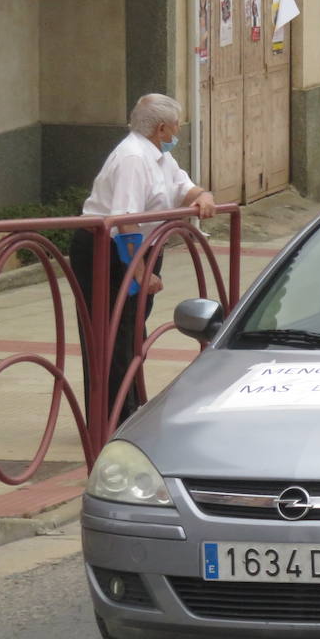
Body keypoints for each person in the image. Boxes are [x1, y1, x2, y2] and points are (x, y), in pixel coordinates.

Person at [70, 94, 217, 425]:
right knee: (113, 331)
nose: (179, 130)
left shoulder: (159, 156)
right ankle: (112, 416)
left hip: (141, 247)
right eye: (177, 124)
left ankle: (128, 407)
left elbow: (184, 186)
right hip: (110, 250)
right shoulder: (133, 158)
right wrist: (138, 271)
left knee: (133, 329)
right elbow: (124, 219)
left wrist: (203, 196)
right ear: (162, 128)